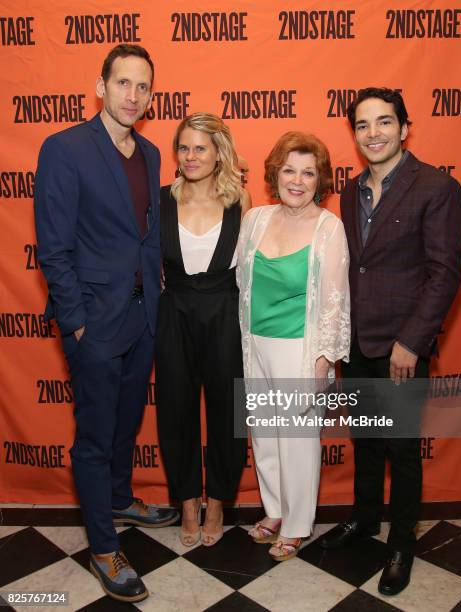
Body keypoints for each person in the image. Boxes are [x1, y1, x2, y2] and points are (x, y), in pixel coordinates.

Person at [34, 44, 179, 603]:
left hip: (143, 317)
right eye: (123, 83)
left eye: (143, 87)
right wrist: (75, 324)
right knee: (94, 436)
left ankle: (120, 496)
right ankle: (102, 545)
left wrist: (155, 304)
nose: (133, 96)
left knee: (125, 422)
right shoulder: (65, 149)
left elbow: (142, 237)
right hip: (92, 323)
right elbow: (54, 245)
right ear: (101, 86)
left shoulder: (148, 152)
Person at [319, 88, 461, 595]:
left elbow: (444, 274)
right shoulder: (350, 190)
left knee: (401, 448)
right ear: (354, 134)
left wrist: (412, 340)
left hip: (402, 347)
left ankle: (402, 542)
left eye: (384, 122)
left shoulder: (436, 187)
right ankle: (364, 520)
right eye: (362, 125)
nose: (373, 133)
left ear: (405, 128)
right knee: (365, 439)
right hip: (357, 343)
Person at [237, 132, 350, 561]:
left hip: (300, 349)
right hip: (255, 345)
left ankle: (299, 523)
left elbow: (336, 301)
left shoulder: (329, 227)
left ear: (320, 179)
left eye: (308, 172)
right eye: (289, 170)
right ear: (275, 174)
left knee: (298, 438)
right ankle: (275, 510)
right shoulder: (256, 220)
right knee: (264, 434)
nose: (297, 181)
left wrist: (323, 361)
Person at [155, 113, 251, 547]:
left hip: (224, 312)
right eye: (184, 147)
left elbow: (250, 268)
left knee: (226, 412)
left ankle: (217, 504)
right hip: (173, 312)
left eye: (200, 148)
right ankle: (188, 504)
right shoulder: (160, 199)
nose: (191, 156)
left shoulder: (240, 200)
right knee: (175, 410)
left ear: (219, 153)